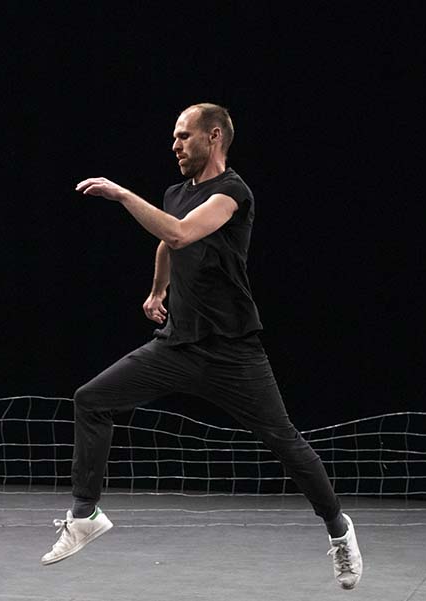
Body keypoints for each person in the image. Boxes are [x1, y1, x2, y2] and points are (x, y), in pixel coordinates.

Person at [41, 103, 363, 590]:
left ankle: (340, 533)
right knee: (92, 399)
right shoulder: (176, 192)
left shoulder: (233, 192)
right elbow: (166, 245)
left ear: (214, 137)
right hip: (177, 347)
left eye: (183, 137)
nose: (175, 145)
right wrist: (157, 291)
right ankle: (85, 514)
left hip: (233, 354)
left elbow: (180, 231)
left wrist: (123, 194)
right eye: (173, 137)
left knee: (285, 443)